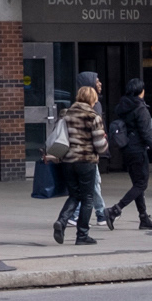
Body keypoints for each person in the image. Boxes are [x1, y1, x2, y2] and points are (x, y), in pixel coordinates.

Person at [46, 85, 107, 246]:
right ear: (92, 99)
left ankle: (62, 221)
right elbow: (100, 145)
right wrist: (106, 145)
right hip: (86, 162)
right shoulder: (93, 117)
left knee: (74, 195)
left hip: (68, 161)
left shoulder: (66, 115)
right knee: (87, 198)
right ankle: (82, 235)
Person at [105, 79, 152, 230]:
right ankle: (115, 210)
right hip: (138, 150)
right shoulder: (140, 109)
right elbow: (147, 135)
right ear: (141, 91)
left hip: (126, 149)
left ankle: (143, 218)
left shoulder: (123, 106)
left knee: (138, 184)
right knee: (141, 183)